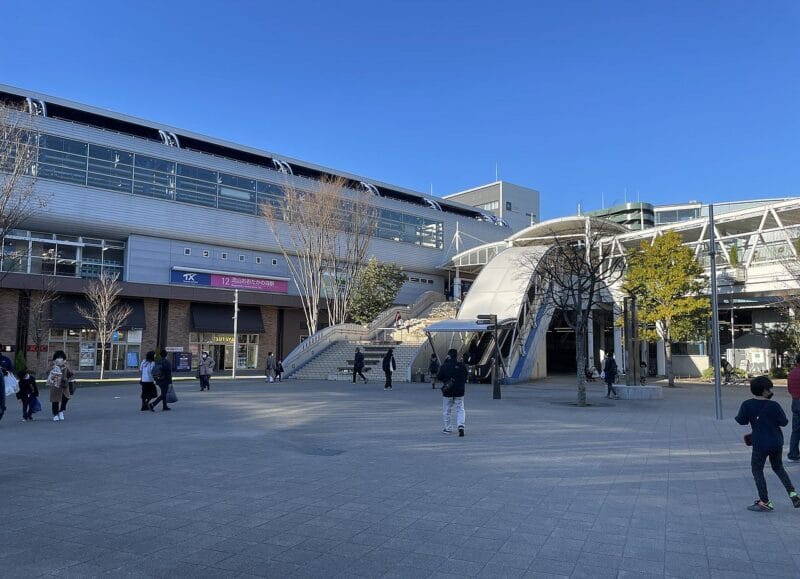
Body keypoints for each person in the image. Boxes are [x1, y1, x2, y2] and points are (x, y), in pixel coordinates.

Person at [735, 376, 800, 511]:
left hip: (760, 443)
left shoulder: (747, 404)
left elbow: (741, 420)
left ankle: (764, 501)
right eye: (769, 389)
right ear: (765, 391)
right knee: (778, 468)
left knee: (757, 470)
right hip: (776, 442)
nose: (771, 391)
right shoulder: (774, 405)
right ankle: (793, 495)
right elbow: (784, 422)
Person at [437, 348, 468, 437]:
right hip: (459, 391)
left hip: (448, 391)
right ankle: (461, 426)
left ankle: (448, 428)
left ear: (448, 355)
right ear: (456, 356)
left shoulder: (444, 366)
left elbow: (439, 377)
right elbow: (466, 376)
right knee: (460, 409)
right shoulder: (462, 365)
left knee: (447, 410)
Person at [48, 350, 73, 421]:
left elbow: (71, 373)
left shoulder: (65, 365)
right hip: (55, 385)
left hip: (64, 385)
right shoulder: (52, 365)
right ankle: (55, 414)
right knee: (55, 400)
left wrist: (66, 367)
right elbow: (47, 372)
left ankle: (61, 410)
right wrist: (53, 368)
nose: (59, 359)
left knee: (66, 397)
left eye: (61, 357)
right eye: (58, 357)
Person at [787, 353, 800, 462]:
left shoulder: (792, 373)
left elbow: (789, 389)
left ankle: (793, 454)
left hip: (795, 402)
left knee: (796, 430)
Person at [0, 344, 12, 421]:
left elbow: (10, 371)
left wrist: (5, 372)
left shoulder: (6, 359)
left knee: (1, 401)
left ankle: (2, 409)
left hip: (2, 384)